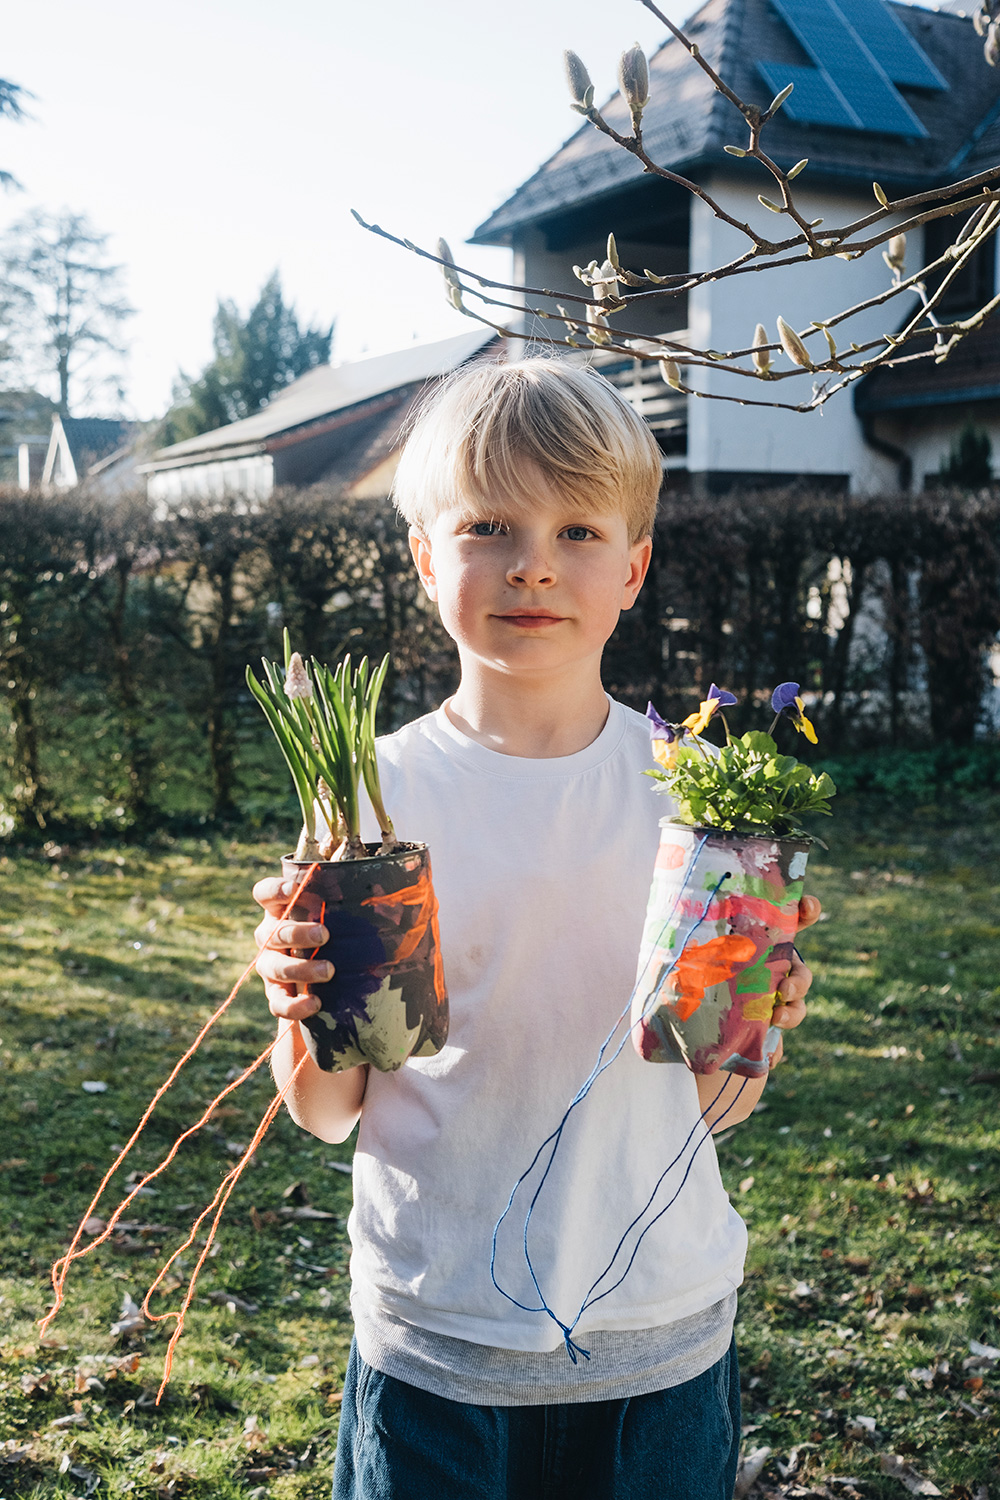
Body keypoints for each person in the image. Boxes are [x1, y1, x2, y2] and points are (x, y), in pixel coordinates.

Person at [252, 358, 820, 1500]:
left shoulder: (703, 799)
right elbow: (327, 1111)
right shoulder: (370, 799)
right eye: (488, 525)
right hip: (435, 1353)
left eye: (576, 531)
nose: (532, 564)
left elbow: (714, 1108)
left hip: (660, 1346)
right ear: (423, 557)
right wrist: (295, 1012)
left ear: (634, 567)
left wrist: (756, 1023)